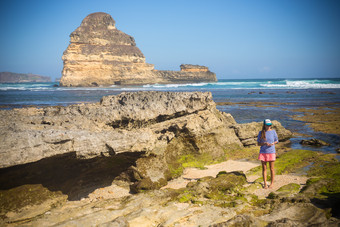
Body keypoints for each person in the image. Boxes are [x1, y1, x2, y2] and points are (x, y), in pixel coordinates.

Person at [257, 119, 278, 189]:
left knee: (272, 169)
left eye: (270, 125)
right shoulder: (261, 133)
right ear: (264, 125)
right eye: (267, 125)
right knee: (264, 169)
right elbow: (258, 143)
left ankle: (272, 183)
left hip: (271, 152)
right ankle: (265, 183)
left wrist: (273, 143)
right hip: (263, 152)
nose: (269, 126)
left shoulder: (273, 132)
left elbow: (276, 141)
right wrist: (264, 143)